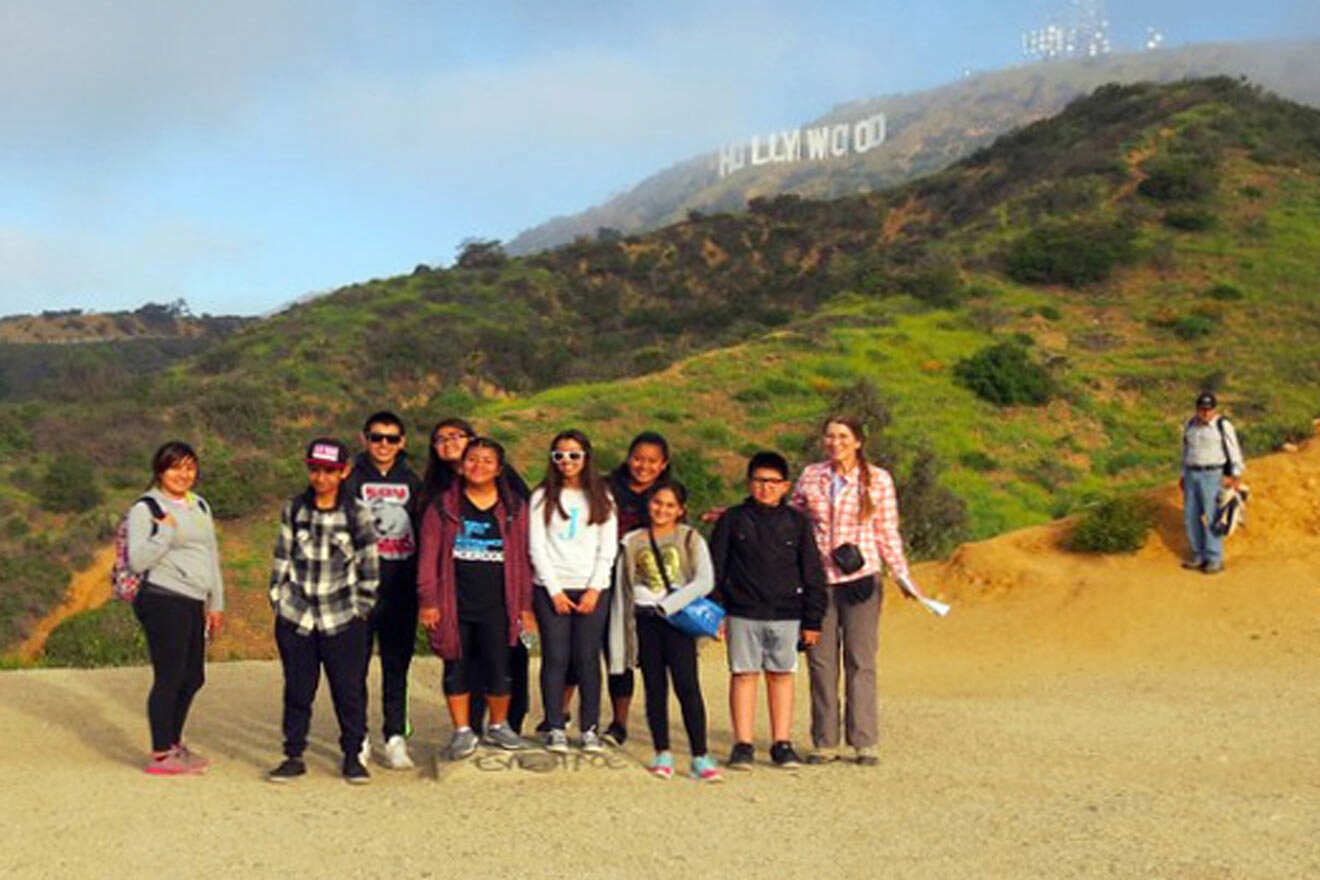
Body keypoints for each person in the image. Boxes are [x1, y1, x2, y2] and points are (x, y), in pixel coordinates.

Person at [791, 416, 922, 766]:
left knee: (860, 661)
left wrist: (902, 575)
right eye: (830, 436)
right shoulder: (811, 476)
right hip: (819, 580)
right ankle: (824, 741)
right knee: (820, 662)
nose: (835, 442)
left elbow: (887, 531)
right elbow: (793, 519)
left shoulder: (877, 480)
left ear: (858, 441)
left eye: (843, 436)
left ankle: (864, 741)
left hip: (861, 579)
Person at [267, 438, 380, 784]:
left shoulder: (356, 512)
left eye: (330, 470)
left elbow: (369, 564)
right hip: (298, 614)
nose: (322, 477)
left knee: (348, 690)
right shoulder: (295, 508)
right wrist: (279, 599)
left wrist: (362, 607)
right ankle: (293, 753)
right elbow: (282, 556)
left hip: (342, 615)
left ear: (344, 471)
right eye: (316, 469)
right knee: (298, 690)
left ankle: (352, 755)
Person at [418, 438, 535, 760]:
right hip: (454, 602)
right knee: (456, 666)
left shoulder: (514, 509)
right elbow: (428, 556)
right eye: (472, 459)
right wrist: (428, 600)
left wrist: (525, 607)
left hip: (500, 602)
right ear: (461, 464)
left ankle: (498, 726)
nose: (478, 466)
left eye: (487, 460)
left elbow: (525, 560)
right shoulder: (443, 506)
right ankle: (462, 731)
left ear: (499, 469)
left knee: (500, 666)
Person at [710, 451, 827, 770]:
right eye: (759, 481)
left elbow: (812, 571)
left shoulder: (798, 523)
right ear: (750, 483)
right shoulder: (732, 519)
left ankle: (781, 743)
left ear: (785, 485)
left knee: (781, 676)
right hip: (742, 611)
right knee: (743, 675)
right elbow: (716, 568)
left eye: (773, 482)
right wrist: (716, 610)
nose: (765, 487)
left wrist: (813, 619)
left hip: (787, 612)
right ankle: (743, 744)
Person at [609, 479, 721, 782]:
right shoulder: (631, 541)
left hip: (677, 621)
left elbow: (704, 580)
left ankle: (700, 755)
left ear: (681, 510)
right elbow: (624, 588)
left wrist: (670, 605)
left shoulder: (690, 539)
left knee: (688, 686)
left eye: (670, 505)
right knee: (654, 687)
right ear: (649, 504)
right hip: (644, 621)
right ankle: (663, 752)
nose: (662, 509)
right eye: (658, 503)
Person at [127, 441, 224, 776]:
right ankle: (160, 752)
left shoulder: (199, 505)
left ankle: (174, 743)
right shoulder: (147, 509)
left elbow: (210, 555)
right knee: (169, 675)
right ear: (160, 470)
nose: (183, 474)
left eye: (189, 467)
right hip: (163, 597)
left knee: (193, 676)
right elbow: (137, 560)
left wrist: (217, 602)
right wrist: (164, 533)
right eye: (175, 467)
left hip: (195, 599)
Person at [341, 410, 424, 770]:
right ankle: (357, 738)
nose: (384, 445)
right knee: (354, 667)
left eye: (391, 438)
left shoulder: (414, 481)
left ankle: (394, 737)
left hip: (401, 588)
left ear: (402, 442)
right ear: (364, 439)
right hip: (359, 589)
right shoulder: (350, 478)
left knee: (396, 667)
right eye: (377, 437)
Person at [529, 430, 618, 753]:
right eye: (560, 455)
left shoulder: (602, 496)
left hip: (592, 587)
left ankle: (590, 727)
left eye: (574, 455)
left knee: (586, 659)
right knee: (555, 657)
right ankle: (555, 725)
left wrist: (594, 588)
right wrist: (553, 590)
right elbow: (536, 546)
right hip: (552, 586)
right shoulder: (541, 496)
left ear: (586, 457)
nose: (567, 461)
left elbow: (607, 548)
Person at [1180, 391, 1245, 574]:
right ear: (1197, 409)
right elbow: (1185, 451)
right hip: (1192, 474)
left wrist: (1235, 476)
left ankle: (1214, 558)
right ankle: (1198, 554)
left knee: (1213, 516)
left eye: (1209, 409)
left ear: (1214, 410)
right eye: (1202, 409)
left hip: (1213, 474)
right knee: (1191, 516)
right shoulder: (1190, 425)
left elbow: (1234, 451)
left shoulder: (1223, 426)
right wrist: (1183, 474)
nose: (1205, 413)